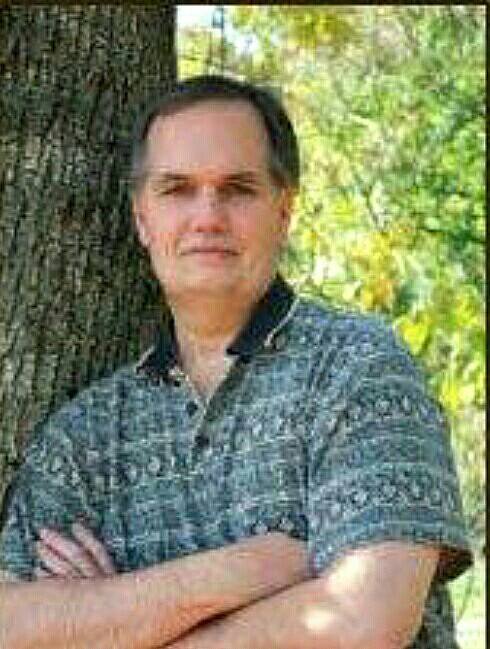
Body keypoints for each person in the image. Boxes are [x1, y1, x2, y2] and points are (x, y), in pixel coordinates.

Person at [0, 75, 472, 649]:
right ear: (142, 218)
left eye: (239, 189)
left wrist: (111, 621)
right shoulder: (87, 435)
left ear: (284, 210)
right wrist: (241, 571)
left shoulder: (359, 368)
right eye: (177, 189)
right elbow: (11, 626)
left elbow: (365, 620)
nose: (208, 217)